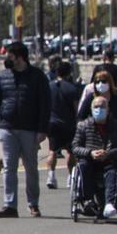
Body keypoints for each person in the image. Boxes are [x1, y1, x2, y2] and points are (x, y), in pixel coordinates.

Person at [0, 41, 51, 219]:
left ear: (20, 57)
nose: (7, 59)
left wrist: (42, 129)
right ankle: (10, 205)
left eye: (10, 56)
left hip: (30, 129)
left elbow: (45, 105)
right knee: (9, 168)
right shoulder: (3, 77)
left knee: (31, 168)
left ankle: (33, 204)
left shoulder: (38, 77)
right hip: (6, 128)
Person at [70, 96, 117, 221]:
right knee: (83, 166)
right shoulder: (83, 126)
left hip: (111, 162)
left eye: (102, 107)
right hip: (90, 161)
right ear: (91, 109)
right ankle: (88, 200)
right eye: (96, 107)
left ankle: (110, 203)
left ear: (108, 109)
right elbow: (75, 147)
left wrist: (108, 153)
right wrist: (90, 153)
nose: (99, 109)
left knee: (113, 172)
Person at [45, 59, 81, 192]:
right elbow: (76, 109)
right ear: (69, 73)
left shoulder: (48, 86)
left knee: (52, 151)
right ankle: (70, 177)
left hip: (52, 123)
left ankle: (51, 176)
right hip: (68, 124)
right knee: (71, 153)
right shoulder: (72, 88)